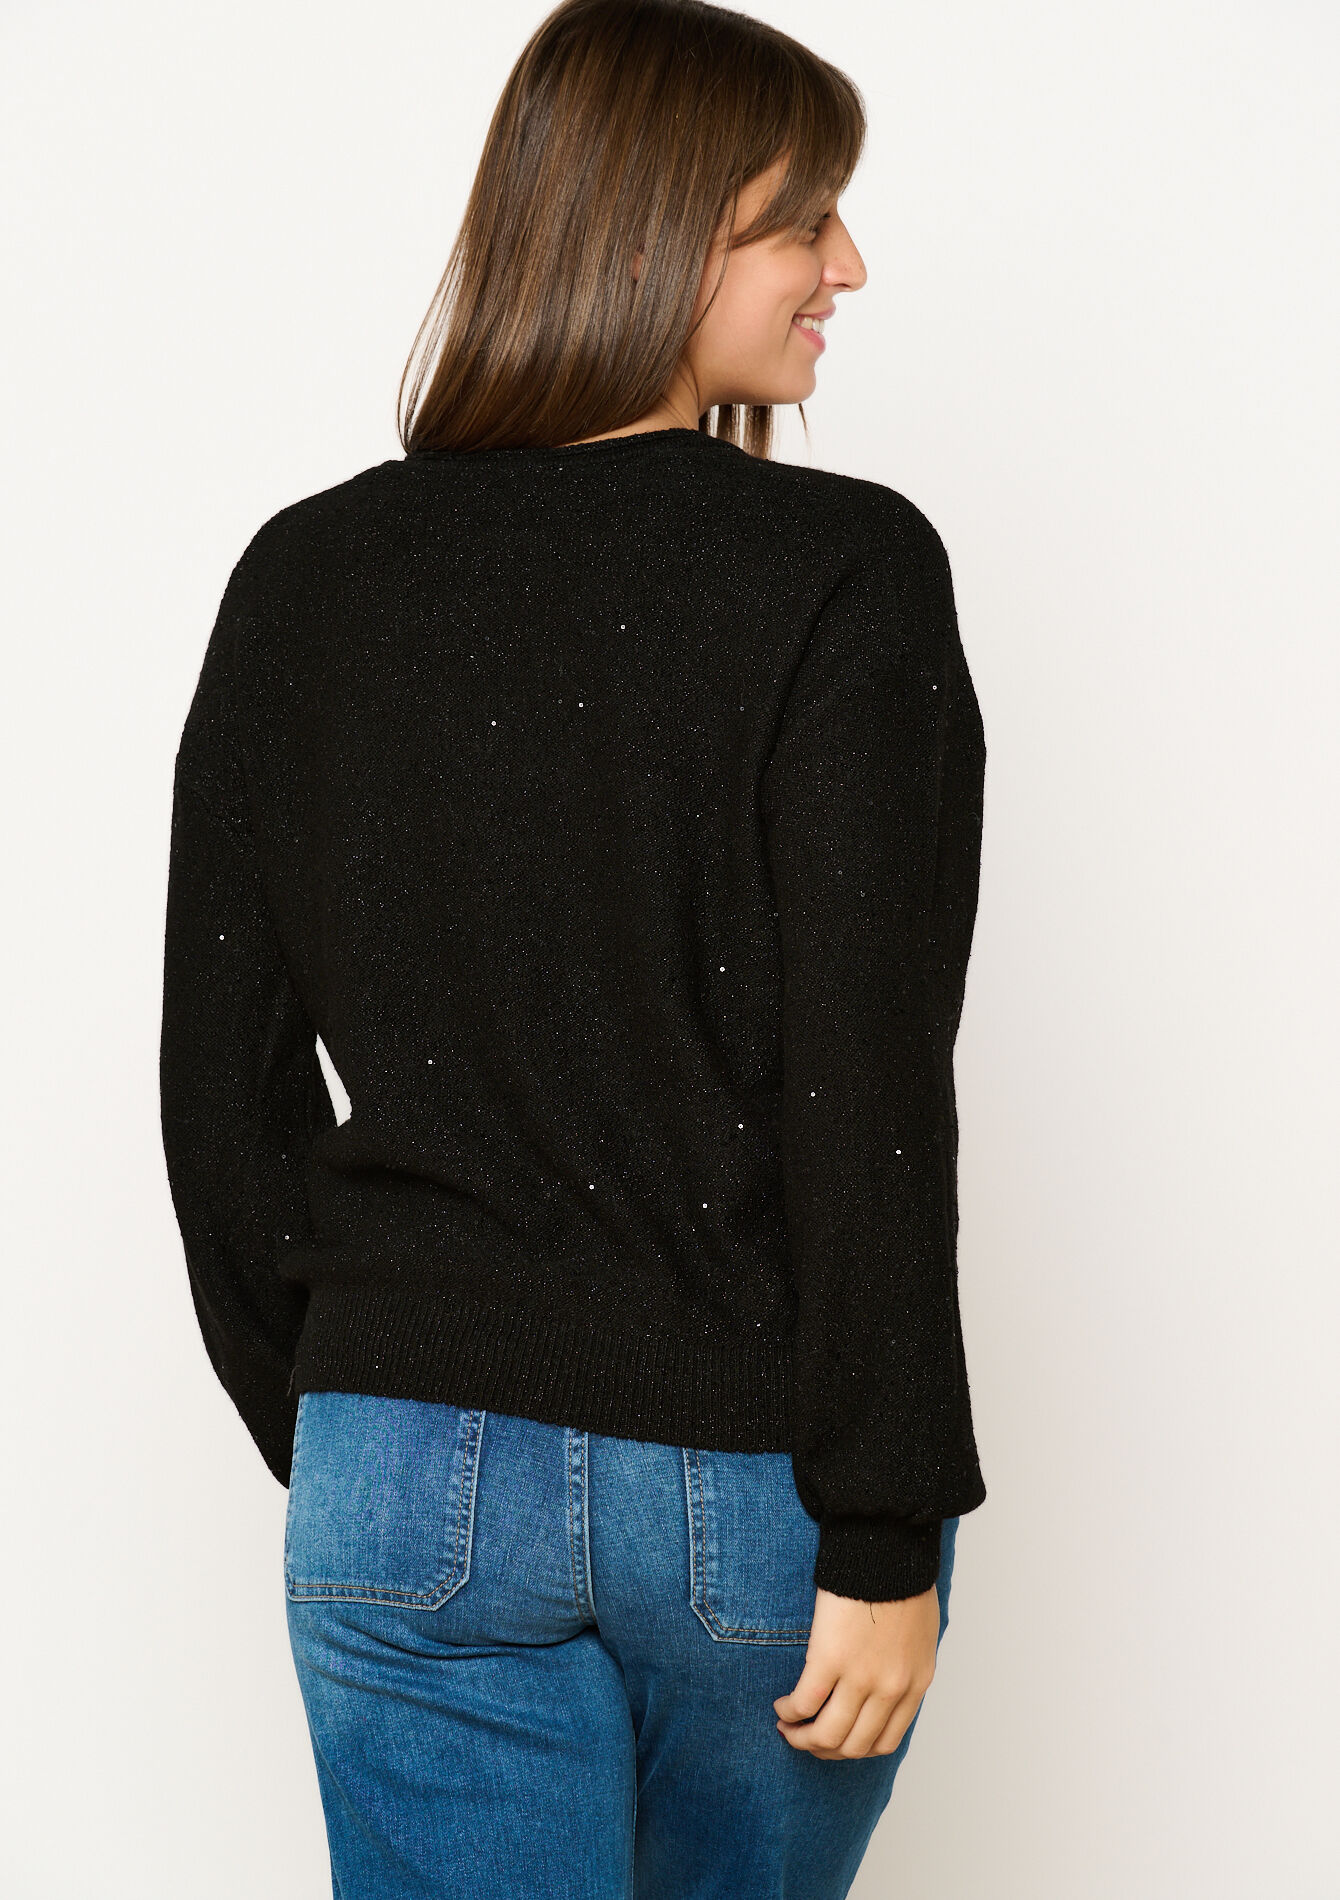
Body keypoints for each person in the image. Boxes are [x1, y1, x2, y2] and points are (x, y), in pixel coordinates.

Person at [158, 0, 989, 1892]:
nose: (849, 267)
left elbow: (219, 1088)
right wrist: (885, 1527)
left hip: (396, 1464)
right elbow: (867, 1086)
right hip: (750, 1485)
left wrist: (359, 1405)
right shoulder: (843, 571)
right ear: (658, 230)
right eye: (804, 220)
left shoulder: (307, 576)